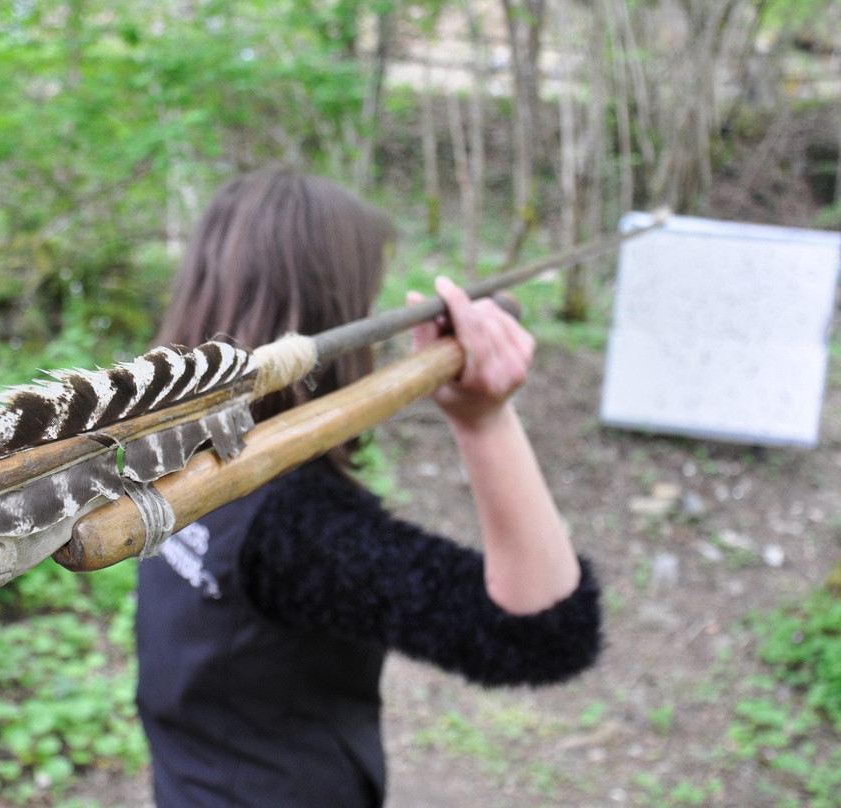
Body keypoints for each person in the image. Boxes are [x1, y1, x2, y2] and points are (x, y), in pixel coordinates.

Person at [135, 167, 602, 807]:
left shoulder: (156, 447)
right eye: (368, 299)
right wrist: (484, 420)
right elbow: (544, 633)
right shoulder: (297, 531)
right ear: (334, 316)